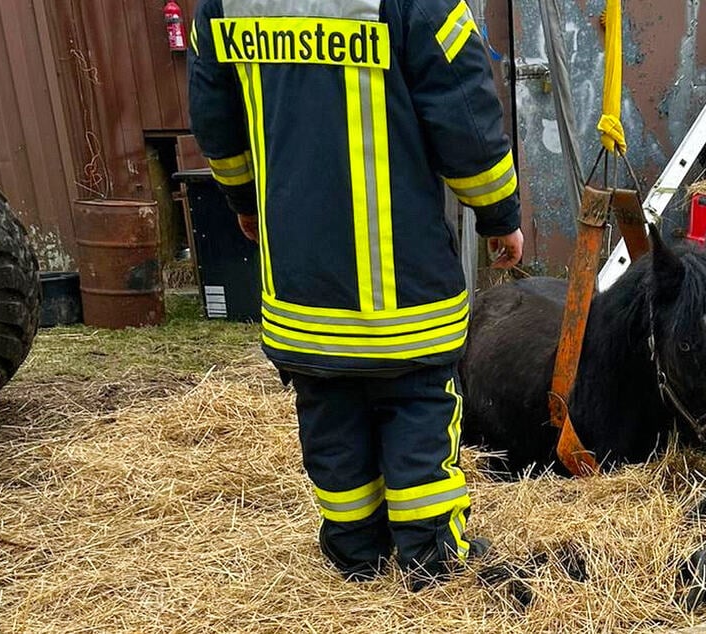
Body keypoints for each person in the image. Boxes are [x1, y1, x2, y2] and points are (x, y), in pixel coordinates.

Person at [187, 0, 523, 590]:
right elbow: (463, 112)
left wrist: (243, 201)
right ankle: (431, 556)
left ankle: (352, 553)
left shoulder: (225, 4)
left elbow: (216, 116)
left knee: (329, 418)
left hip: (303, 298)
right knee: (418, 413)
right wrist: (498, 215)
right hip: (404, 296)